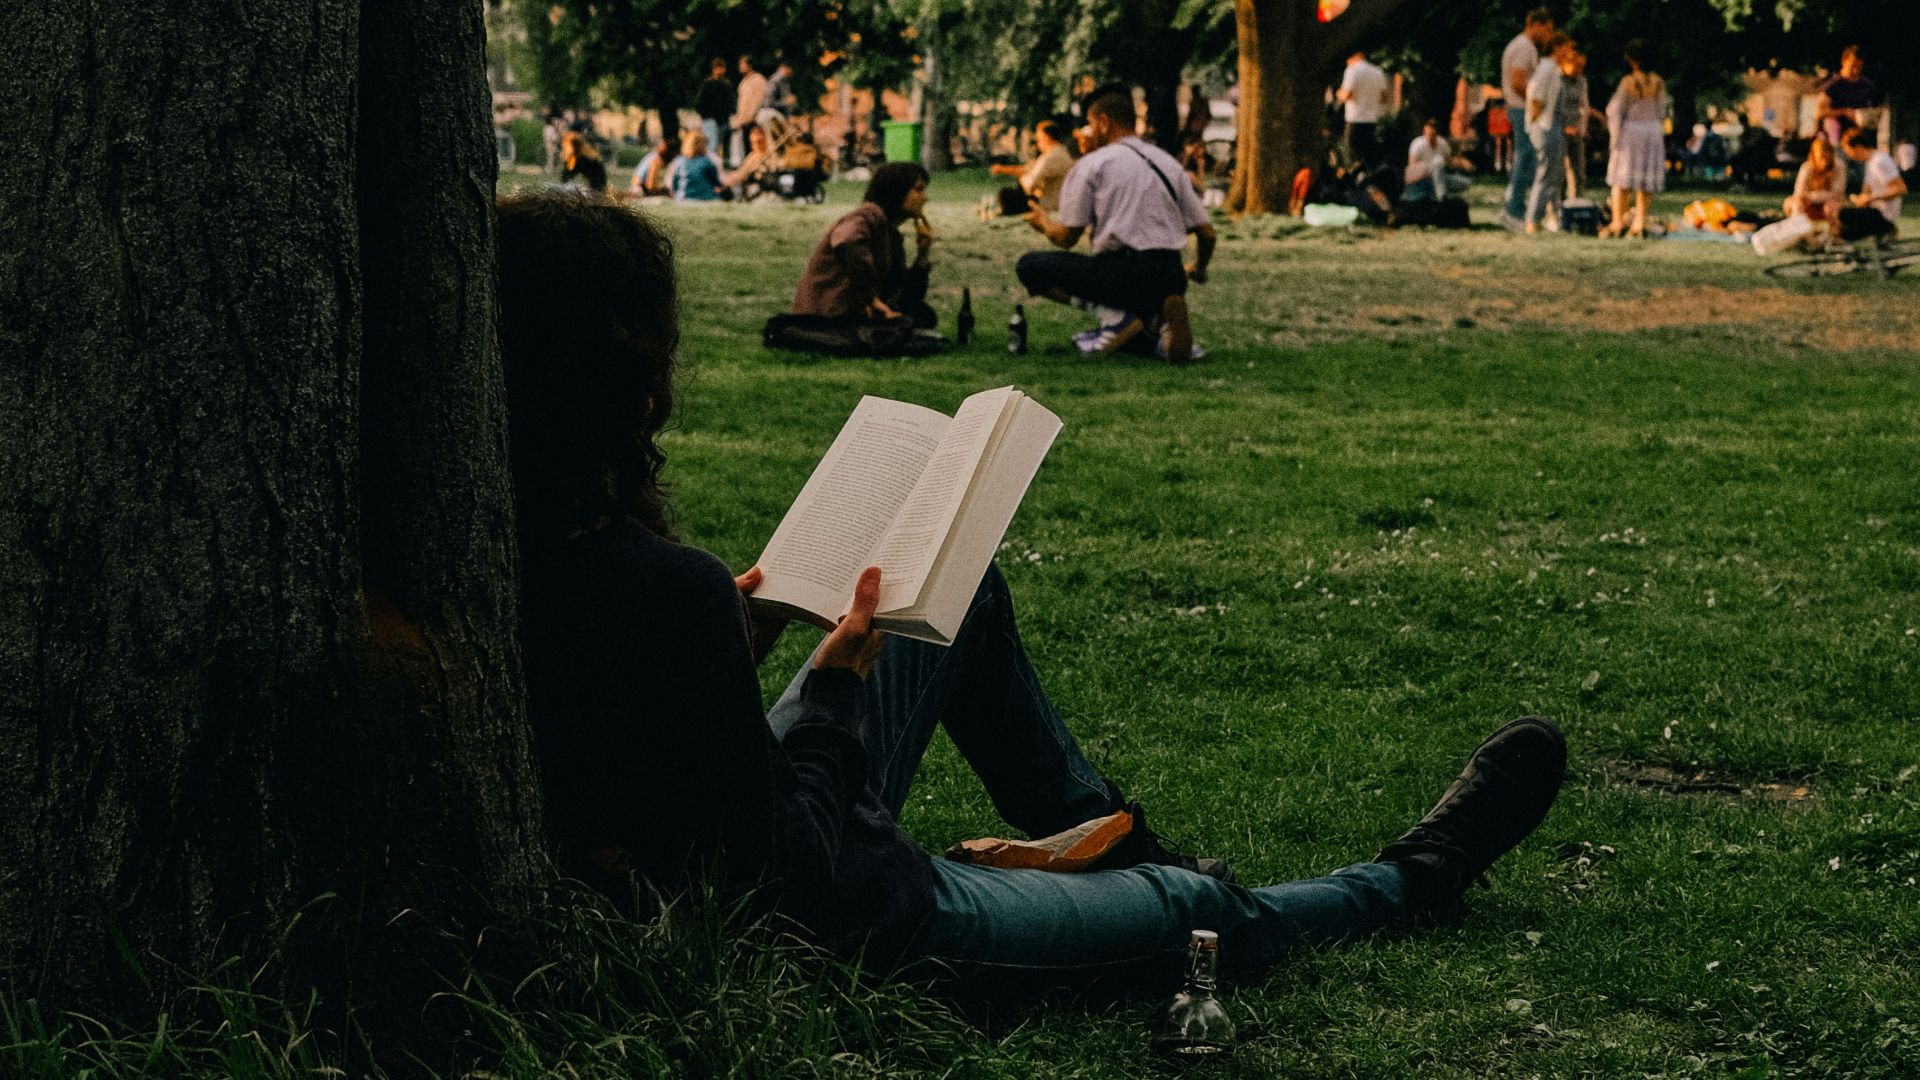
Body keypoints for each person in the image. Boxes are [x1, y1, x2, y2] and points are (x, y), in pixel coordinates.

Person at [493, 190, 1570, 1003]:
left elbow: (649, 745)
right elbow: (790, 875)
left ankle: (1096, 837)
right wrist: (827, 693)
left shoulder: (513, 554)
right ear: (633, 376)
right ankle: (1412, 879)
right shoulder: (650, 585)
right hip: (852, 923)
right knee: (1194, 915)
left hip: (745, 838)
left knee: (953, 599)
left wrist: (740, 632)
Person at [1017, 91, 1215, 365]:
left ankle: (1116, 319)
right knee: (1150, 290)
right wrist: (1199, 269)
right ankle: (1156, 327)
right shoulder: (1167, 162)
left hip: (1120, 274)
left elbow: (1066, 238)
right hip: (1170, 274)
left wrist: (1043, 224)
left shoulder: (1093, 165)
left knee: (1030, 266)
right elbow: (1207, 233)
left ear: (1103, 123)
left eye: (1089, 124)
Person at [789, 161, 937, 328]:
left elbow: (906, 296)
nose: (925, 198)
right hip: (828, 314)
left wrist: (922, 254)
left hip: (854, 311)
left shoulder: (890, 233)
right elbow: (847, 239)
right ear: (897, 191)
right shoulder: (868, 216)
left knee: (923, 314)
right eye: (918, 189)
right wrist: (870, 298)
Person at [1601, 40, 1668, 239]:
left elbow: (1615, 110)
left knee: (1621, 180)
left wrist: (1614, 134)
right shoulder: (1658, 82)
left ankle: (1617, 221)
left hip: (1632, 132)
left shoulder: (1628, 82)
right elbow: (1662, 109)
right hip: (1652, 131)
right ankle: (1639, 221)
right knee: (1644, 183)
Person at [1499, 9, 1556, 229]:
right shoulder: (1523, 47)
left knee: (1526, 160)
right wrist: (1537, 103)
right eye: (1548, 30)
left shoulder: (1524, 46)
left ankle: (1514, 206)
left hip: (1521, 109)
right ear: (1536, 25)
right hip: (1521, 109)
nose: (1549, 36)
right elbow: (1518, 82)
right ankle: (1513, 211)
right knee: (1526, 159)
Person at [1523, 34, 1577, 234]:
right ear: (1557, 48)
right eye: (1566, 48)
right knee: (1545, 173)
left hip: (1551, 124)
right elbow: (1535, 93)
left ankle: (1547, 216)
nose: (1569, 52)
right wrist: (1537, 120)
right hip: (1545, 125)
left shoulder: (1553, 69)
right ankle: (1532, 219)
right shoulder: (1546, 69)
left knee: (1553, 174)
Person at [989, 119, 1075, 215]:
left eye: (1038, 139)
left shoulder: (1051, 158)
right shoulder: (1060, 153)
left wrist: (1024, 177)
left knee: (1005, 194)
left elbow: (1029, 184)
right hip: (1057, 200)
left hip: (1049, 204)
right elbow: (1029, 171)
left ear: (1047, 137)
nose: (1037, 143)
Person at [1837, 127, 1906, 241]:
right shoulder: (1870, 162)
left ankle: (1887, 231)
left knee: (1842, 216)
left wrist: (1871, 198)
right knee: (1844, 227)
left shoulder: (1879, 161)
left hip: (1884, 215)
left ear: (1858, 147)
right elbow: (1867, 191)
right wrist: (1861, 199)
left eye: (1849, 152)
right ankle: (1877, 235)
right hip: (1875, 211)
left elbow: (1901, 189)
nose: (1849, 156)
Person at [1336, 50, 1391, 173]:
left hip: (1354, 120)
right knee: (1367, 158)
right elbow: (1384, 97)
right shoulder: (1377, 71)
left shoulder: (1352, 70)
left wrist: (1338, 93)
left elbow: (1346, 95)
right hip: (1371, 121)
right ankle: (1370, 186)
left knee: (1352, 159)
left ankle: (1357, 187)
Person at [1558, 50, 1599, 199]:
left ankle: (1577, 203)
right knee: (1559, 173)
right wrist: (1563, 127)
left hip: (1576, 130)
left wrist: (1582, 127)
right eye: (1576, 67)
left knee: (1578, 172)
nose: (1579, 71)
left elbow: (1584, 106)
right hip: (1559, 130)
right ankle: (1558, 208)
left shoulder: (1581, 80)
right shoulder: (1557, 79)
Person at [1815, 46, 1874, 149]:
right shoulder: (1832, 85)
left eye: (1859, 68)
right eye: (1853, 66)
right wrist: (1844, 112)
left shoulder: (1866, 85)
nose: (1855, 71)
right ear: (1844, 61)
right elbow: (1819, 114)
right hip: (1834, 139)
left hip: (1858, 140)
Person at [1782, 134, 1845, 226]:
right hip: (1809, 202)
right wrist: (1804, 199)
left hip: (1828, 201)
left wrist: (1812, 197)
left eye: (1828, 158)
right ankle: (1797, 229)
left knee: (1831, 208)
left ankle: (1832, 232)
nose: (1825, 162)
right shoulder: (1807, 167)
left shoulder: (1838, 166)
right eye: (1822, 158)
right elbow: (1799, 191)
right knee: (1790, 204)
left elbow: (1836, 193)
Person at [1402, 118, 1469, 202]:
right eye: (1428, 133)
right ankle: (1441, 197)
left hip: (1439, 178)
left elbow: (1449, 162)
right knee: (1438, 161)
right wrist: (1428, 169)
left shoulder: (1442, 143)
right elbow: (1411, 170)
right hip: (1423, 179)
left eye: (1433, 133)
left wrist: (1461, 162)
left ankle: (1435, 193)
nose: (1430, 135)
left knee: (1465, 183)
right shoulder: (1417, 144)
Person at [730, 55, 769, 166]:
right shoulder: (744, 82)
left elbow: (757, 101)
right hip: (744, 120)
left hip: (754, 120)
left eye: (742, 64)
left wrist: (749, 118)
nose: (740, 66)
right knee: (746, 149)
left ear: (749, 65)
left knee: (756, 148)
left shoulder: (758, 80)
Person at [667, 130, 726, 202]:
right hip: (705, 197)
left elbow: (674, 184)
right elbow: (716, 182)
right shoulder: (706, 161)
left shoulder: (679, 161)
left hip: (682, 197)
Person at [723, 124, 777, 200]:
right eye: (753, 134)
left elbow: (740, 175)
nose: (755, 138)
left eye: (759, 133)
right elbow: (740, 173)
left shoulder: (771, 155)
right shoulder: (753, 156)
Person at [696, 57, 734, 161]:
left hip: (722, 120)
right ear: (713, 69)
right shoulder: (707, 84)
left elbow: (730, 102)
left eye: (721, 68)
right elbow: (700, 103)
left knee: (719, 145)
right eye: (717, 68)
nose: (720, 71)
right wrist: (705, 115)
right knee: (711, 145)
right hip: (710, 119)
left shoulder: (726, 85)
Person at [628, 134, 681, 199]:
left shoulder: (654, 155)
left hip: (639, 187)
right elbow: (650, 185)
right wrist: (663, 191)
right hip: (639, 188)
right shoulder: (656, 160)